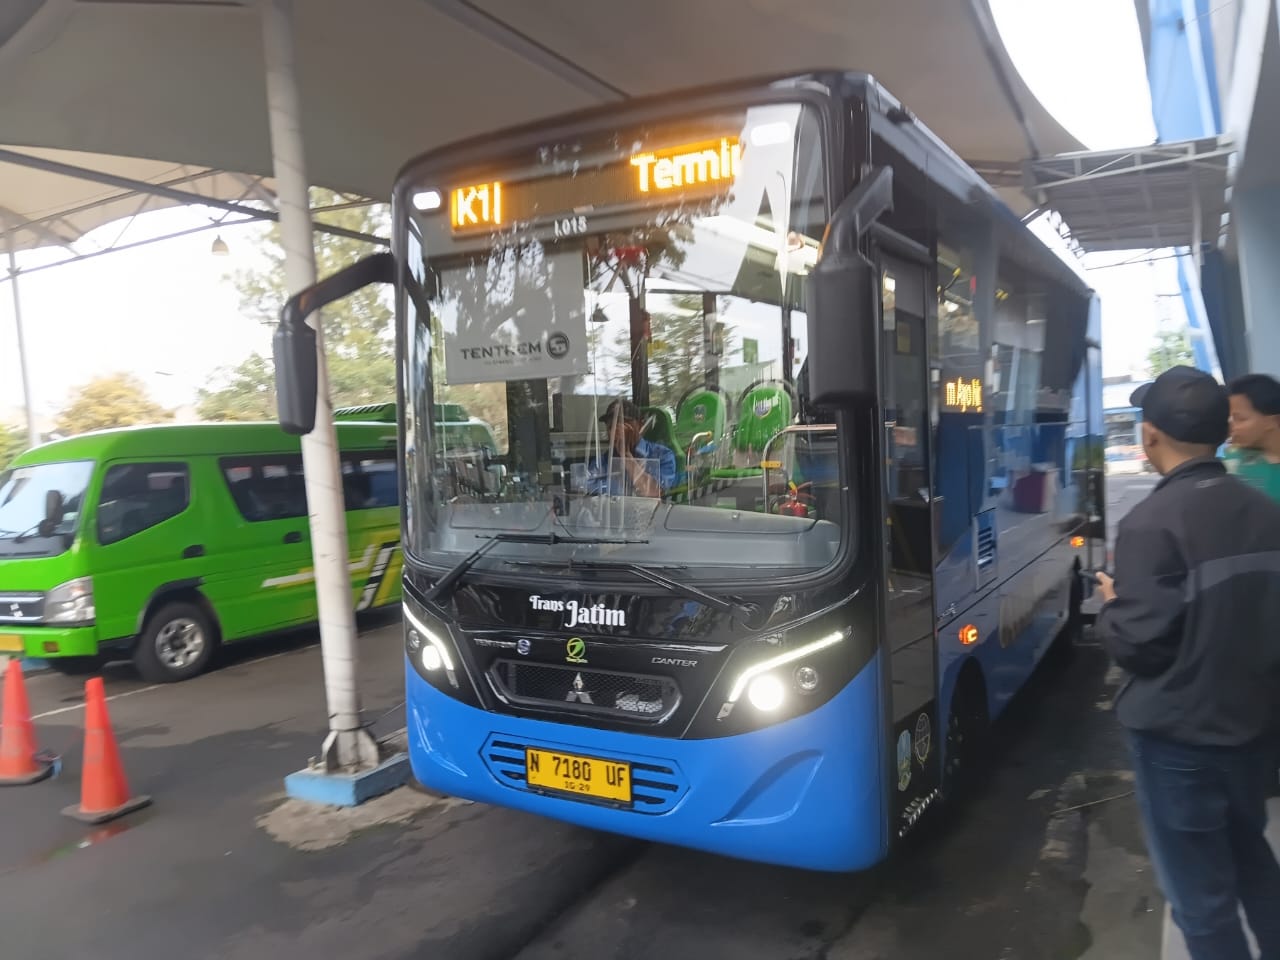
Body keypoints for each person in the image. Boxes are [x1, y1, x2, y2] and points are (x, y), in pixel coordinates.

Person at [1094, 365, 1280, 960]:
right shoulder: (1263, 511)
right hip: (1252, 728)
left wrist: (1111, 609)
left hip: (1179, 742)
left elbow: (1142, 646)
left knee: (1200, 903)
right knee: (1252, 859)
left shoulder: (1150, 523)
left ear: (1149, 437)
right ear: (1220, 433)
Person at [584, 398, 676, 498]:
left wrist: (626, 456)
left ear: (640, 425)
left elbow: (653, 493)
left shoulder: (662, 455)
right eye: (611, 427)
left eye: (623, 425)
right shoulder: (601, 462)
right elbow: (590, 497)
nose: (616, 432)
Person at [1226, 373, 1280, 499]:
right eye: (1231, 419)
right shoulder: (1232, 462)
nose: (1232, 427)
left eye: (1240, 419)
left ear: (1274, 421)